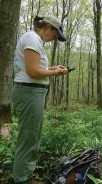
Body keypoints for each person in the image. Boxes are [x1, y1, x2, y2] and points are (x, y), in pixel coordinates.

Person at [11, 16, 68, 184]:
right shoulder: (32, 39)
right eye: (55, 35)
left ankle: (25, 176)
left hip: (32, 92)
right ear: (48, 27)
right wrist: (56, 73)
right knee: (28, 138)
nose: (54, 39)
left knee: (32, 137)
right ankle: (22, 180)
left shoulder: (35, 40)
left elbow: (36, 68)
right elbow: (33, 72)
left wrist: (52, 68)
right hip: (29, 92)